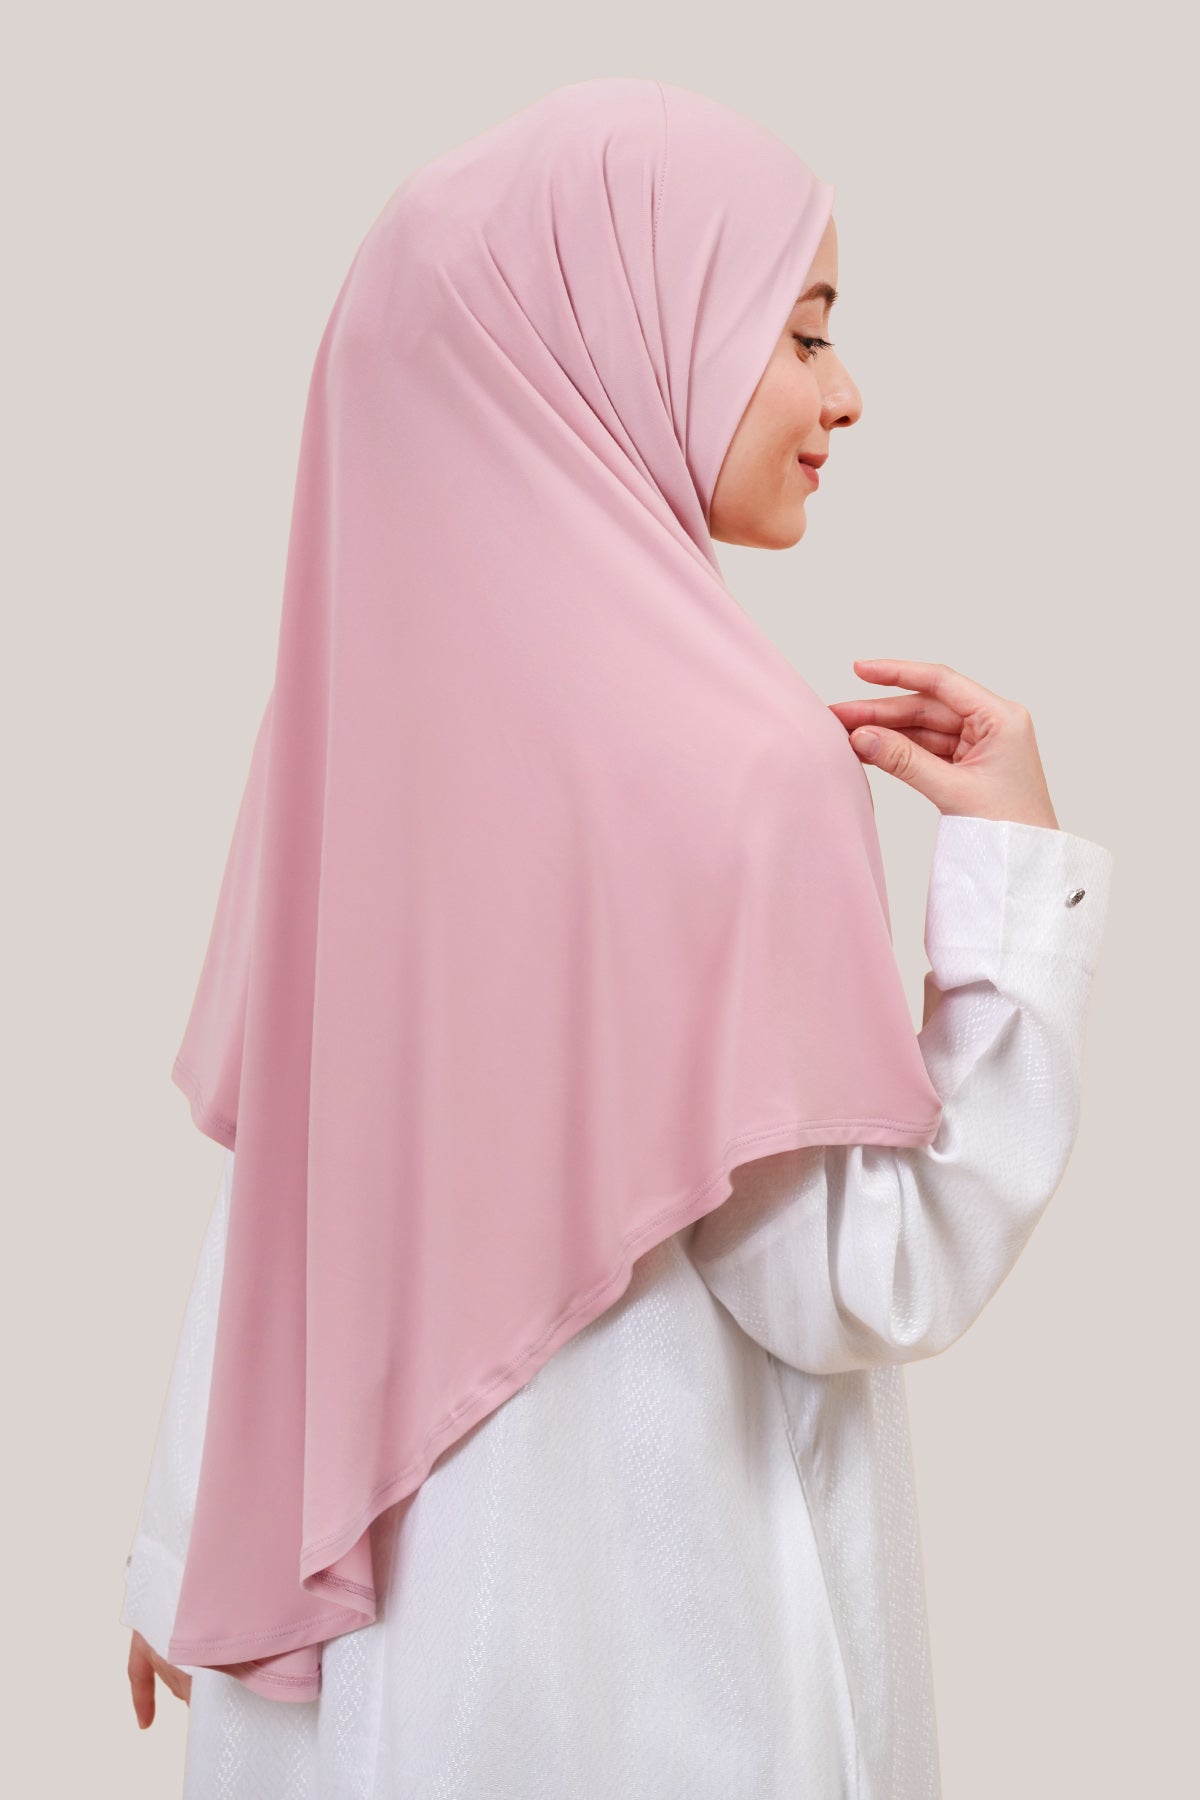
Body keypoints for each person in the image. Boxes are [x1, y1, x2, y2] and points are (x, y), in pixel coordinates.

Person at [120, 79, 1113, 1797]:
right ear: (624, 335)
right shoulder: (738, 769)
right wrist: (1018, 892)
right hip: (662, 1664)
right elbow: (865, 1278)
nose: (846, 393)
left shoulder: (367, 739)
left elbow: (291, 1208)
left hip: (365, 1672)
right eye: (801, 330)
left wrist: (186, 1542)